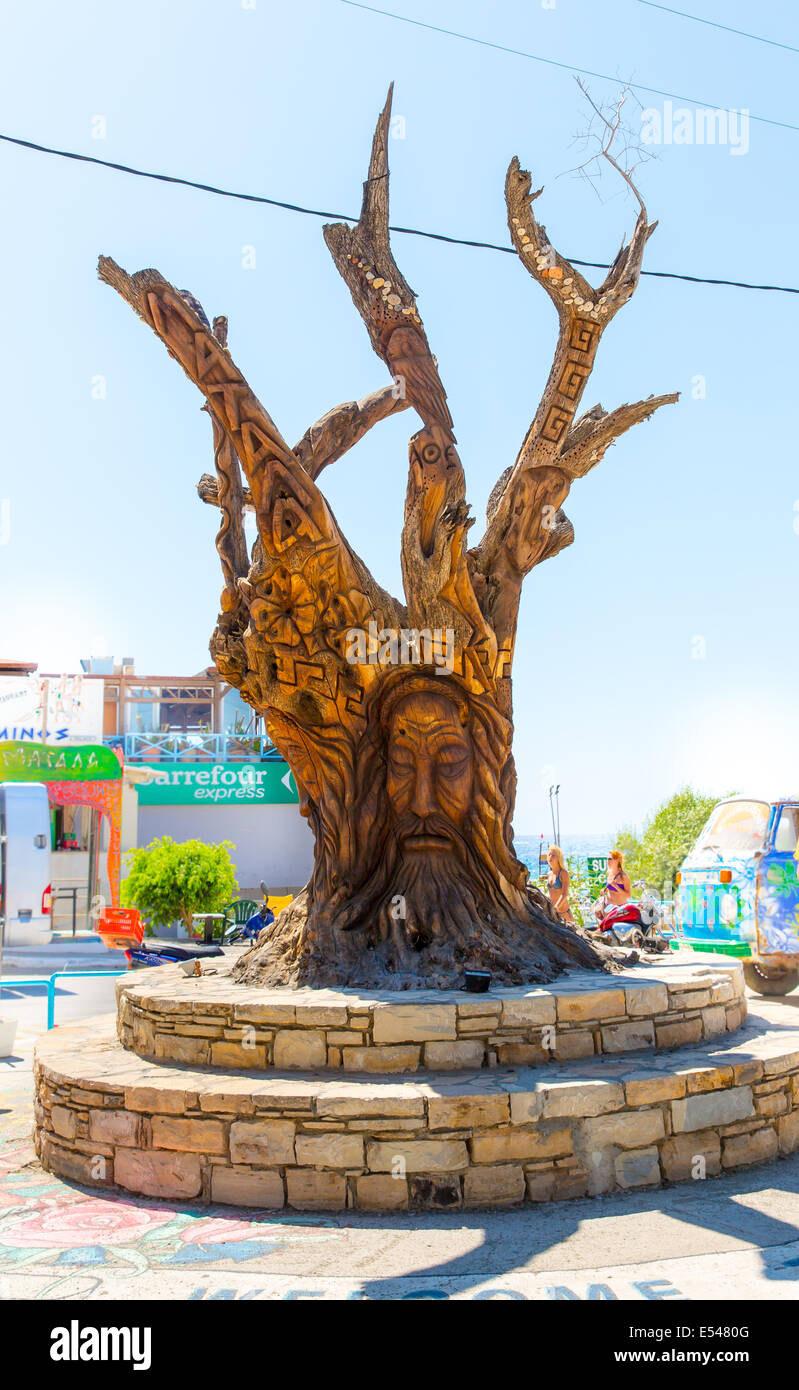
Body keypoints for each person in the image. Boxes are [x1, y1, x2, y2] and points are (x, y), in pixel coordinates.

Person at [593, 849, 632, 923]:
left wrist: (616, 886)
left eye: (610, 859)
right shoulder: (609, 872)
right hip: (608, 907)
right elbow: (610, 888)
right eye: (607, 859)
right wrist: (605, 890)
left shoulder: (623, 876)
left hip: (619, 908)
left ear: (617, 860)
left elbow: (628, 895)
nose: (608, 861)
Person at [545, 844, 573, 921]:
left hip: (564, 914)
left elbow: (564, 894)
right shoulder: (549, 874)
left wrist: (555, 908)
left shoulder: (563, 873)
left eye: (553, 855)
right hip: (554, 915)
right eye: (549, 855)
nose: (550, 857)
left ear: (558, 858)